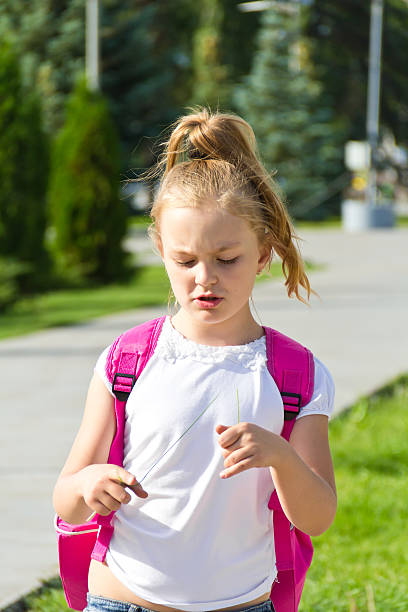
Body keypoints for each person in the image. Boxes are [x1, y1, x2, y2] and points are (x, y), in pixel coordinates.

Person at [53, 108, 337, 612]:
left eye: (227, 259)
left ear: (263, 254)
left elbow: (315, 518)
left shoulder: (296, 375)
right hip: (120, 600)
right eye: (185, 261)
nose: (205, 277)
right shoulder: (126, 361)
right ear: (161, 250)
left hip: (242, 604)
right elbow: (67, 498)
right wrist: (89, 484)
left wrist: (279, 456)